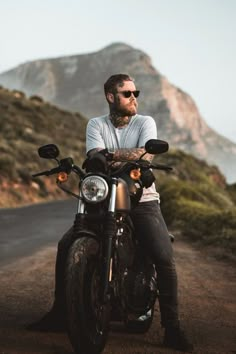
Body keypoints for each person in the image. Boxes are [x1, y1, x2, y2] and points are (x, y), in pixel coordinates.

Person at [27, 74, 193, 352]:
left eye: (135, 93)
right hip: (104, 196)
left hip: (142, 199)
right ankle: (60, 311)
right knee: (66, 243)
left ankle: (173, 328)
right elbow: (94, 156)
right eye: (127, 93)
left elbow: (146, 155)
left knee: (163, 255)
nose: (134, 98)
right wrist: (115, 156)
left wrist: (112, 155)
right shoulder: (96, 124)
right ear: (110, 97)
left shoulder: (145, 122)